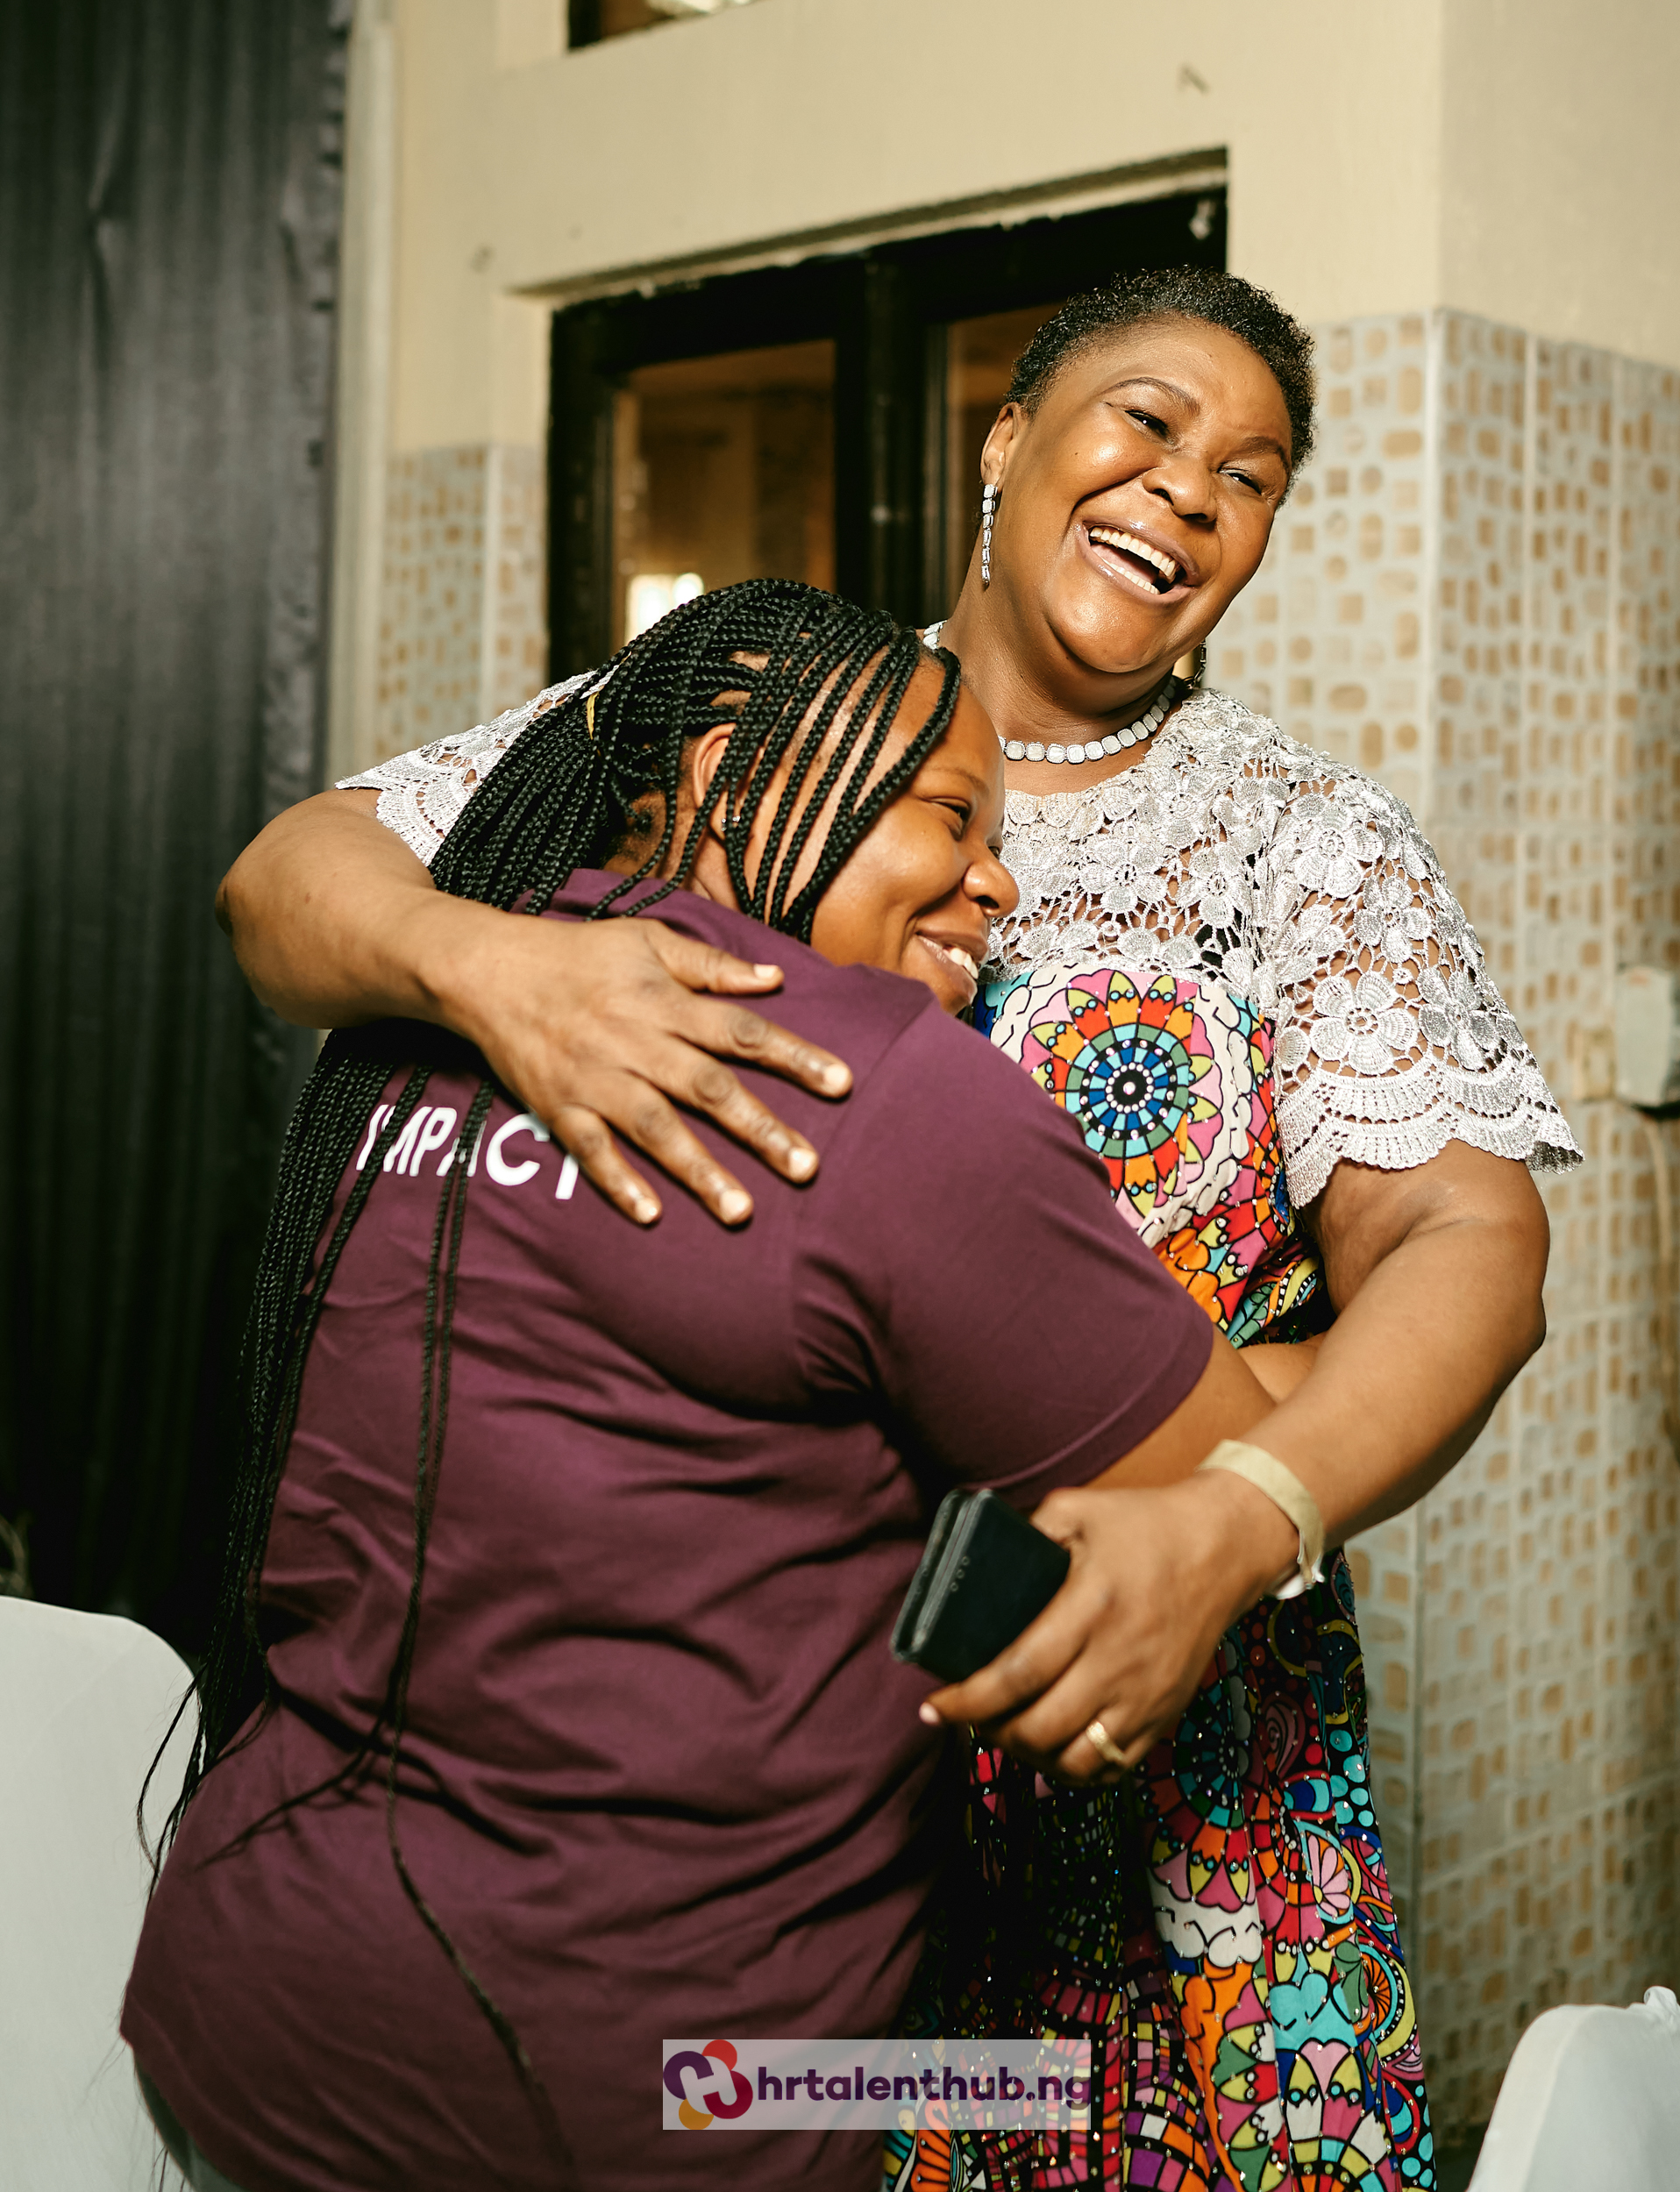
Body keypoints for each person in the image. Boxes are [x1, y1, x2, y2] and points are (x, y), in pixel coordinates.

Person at [216, 269, 1574, 2189]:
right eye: (1149, 424)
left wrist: (1246, 1503)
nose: (1192, 490)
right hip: (749, 1773)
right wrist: (494, 966)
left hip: (1150, 1724)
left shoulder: (1302, 840)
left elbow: (1464, 1240)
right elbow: (287, 879)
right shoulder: (755, 715)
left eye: (1252, 475)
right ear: (1005, 442)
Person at [127, 582, 1326, 2192]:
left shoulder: (439, 999)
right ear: (719, 780)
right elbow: (1246, 1469)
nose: (997, 884)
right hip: (658, 2092)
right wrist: (1331, 1330)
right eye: (951, 814)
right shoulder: (879, 1087)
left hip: (246, 2000)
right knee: (1042, 2091)